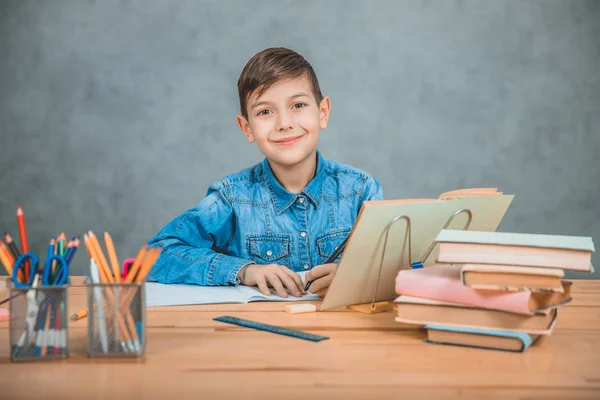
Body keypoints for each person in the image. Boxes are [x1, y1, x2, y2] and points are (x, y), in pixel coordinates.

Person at [147, 47, 383, 297]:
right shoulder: (232, 198)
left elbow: (391, 265)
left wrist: (354, 277)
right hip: (256, 332)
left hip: (341, 332)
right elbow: (157, 253)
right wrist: (245, 271)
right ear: (246, 128)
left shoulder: (361, 190)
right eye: (265, 112)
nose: (284, 124)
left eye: (298, 105)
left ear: (322, 113)